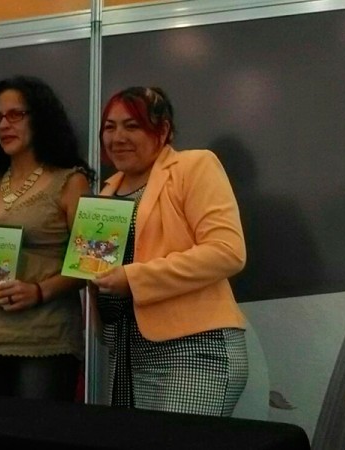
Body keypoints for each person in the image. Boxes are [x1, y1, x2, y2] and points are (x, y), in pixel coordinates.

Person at [90, 86, 248, 415]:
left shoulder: (194, 166)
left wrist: (133, 278)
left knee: (176, 440)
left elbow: (227, 251)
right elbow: (96, 269)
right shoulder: (106, 192)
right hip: (126, 352)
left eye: (132, 126)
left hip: (195, 350)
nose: (117, 137)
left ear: (162, 131)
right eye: (109, 127)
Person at [0, 75, 94, 401]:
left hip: (45, 340)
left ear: (40, 119)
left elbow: (94, 262)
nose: (4, 125)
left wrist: (39, 291)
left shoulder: (71, 181)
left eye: (15, 115)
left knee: (35, 429)